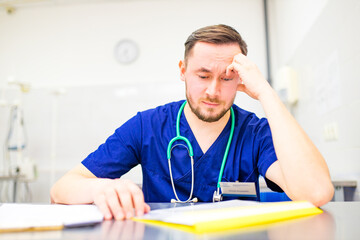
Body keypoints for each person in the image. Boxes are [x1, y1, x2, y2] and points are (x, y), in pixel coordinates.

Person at [51, 24, 334, 221]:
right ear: (183, 71)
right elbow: (61, 189)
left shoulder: (255, 133)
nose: (213, 90)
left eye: (226, 78)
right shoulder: (147, 127)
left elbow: (316, 192)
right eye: (202, 75)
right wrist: (100, 188)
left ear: (241, 80)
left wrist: (266, 93)